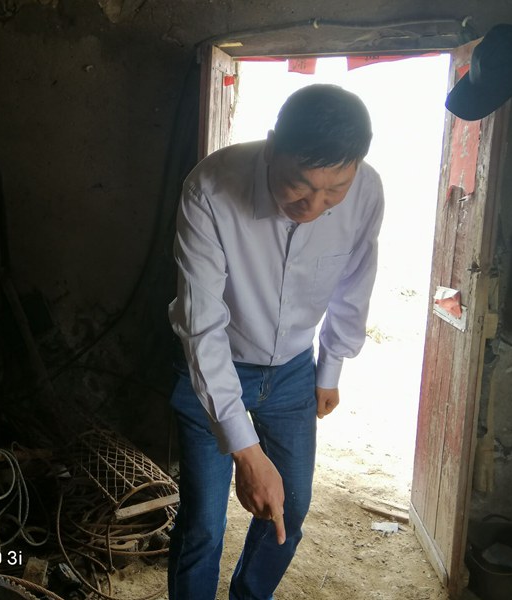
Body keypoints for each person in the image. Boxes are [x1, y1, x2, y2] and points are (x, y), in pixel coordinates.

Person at [167, 83, 384, 600]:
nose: (315, 205)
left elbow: (356, 281)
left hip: (292, 372)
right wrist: (245, 452)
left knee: (293, 508)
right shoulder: (210, 189)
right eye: (299, 186)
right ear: (271, 148)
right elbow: (201, 324)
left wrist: (330, 367)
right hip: (214, 368)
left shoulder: (366, 190)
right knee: (203, 524)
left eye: (335, 191)